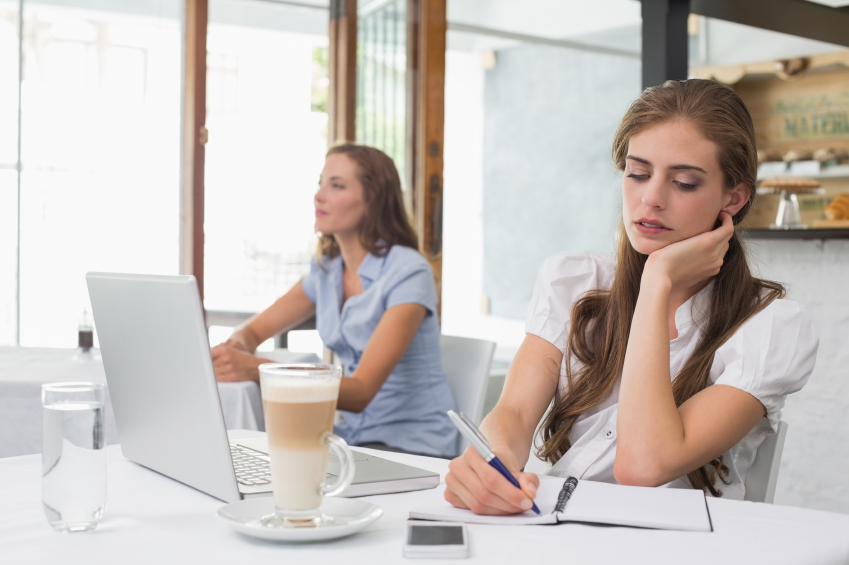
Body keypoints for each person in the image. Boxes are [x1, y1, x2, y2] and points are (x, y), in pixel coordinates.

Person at [444, 79, 819, 514]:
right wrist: (494, 461)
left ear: (733, 198)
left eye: (684, 183)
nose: (650, 198)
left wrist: (657, 282)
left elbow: (643, 467)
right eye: (637, 174)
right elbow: (513, 413)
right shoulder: (574, 281)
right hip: (557, 527)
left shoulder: (770, 328)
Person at [211, 143, 459, 458]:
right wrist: (235, 348)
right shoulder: (327, 270)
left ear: (374, 202)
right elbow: (254, 332)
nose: (319, 195)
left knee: (279, 466)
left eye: (337, 185)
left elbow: (361, 393)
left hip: (412, 446)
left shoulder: (408, 272)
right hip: (350, 437)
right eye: (321, 183)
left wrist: (256, 369)